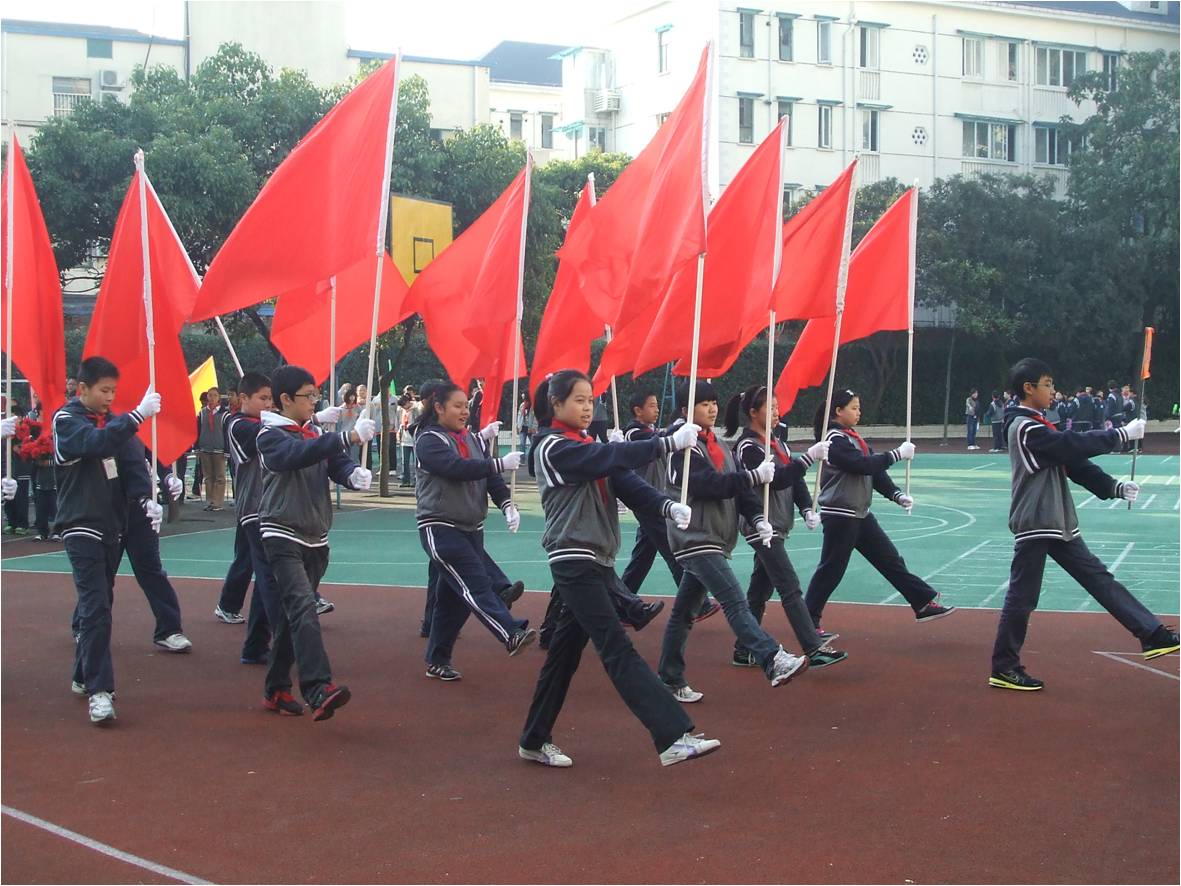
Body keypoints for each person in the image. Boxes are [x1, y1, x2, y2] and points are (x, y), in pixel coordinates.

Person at [520, 369, 722, 769]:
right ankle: (672, 735)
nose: (586, 406)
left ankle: (533, 738)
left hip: (596, 560)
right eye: (578, 400)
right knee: (616, 647)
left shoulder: (585, 443)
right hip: (574, 560)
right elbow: (607, 458)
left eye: (590, 400)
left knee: (563, 656)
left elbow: (624, 480)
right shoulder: (551, 447)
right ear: (555, 404)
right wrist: (665, 443)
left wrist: (665, 505)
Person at [988, 358, 1177, 691]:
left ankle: (1152, 634)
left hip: (1056, 520)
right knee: (1023, 596)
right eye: (1047, 384)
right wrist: (1118, 435)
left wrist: (1112, 487)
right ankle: (1004, 667)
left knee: (1099, 578)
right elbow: (1070, 446)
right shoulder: (1024, 427)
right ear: (1028, 388)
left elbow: (1073, 462)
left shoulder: (1039, 424)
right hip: (1037, 520)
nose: (1053, 391)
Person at [657, 379, 807, 703]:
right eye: (702, 404)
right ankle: (771, 658)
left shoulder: (720, 445)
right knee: (735, 600)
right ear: (685, 411)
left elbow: (740, 490)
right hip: (695, 538)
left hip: (715, 537)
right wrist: (754, 477)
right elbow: (708, 484)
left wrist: (757, 518)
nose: (711, 408)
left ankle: (669, 677)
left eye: (713, 402)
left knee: (684, 611)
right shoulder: (683, 447)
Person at [254, 364, 375, 720]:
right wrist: (346, 437)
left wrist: (353, 474)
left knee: (295, 617)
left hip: (315, 536)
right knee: (305, 608)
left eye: (315, 395)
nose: (313, 402)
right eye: (308, 396)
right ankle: (318, 687)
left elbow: (331, 460)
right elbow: (296, 456)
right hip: (281, 533)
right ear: (285, 399)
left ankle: (276, 687)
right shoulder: (269, 436)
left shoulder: (312, 431)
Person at [53, 356, 161, 724]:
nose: (108, 397)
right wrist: (136, 417)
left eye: (113, 391)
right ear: (81, 388)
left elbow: (131, 461)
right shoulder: (66, 421)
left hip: (114, 525)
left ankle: (84, 675)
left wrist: (150, 494)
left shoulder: (114, 423)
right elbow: (94, 444)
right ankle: (101, 690)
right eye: (103, 391)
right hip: (81, 524)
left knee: (101, 603)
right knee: (95, 604)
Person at [803, 389, 956, 637]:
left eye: (858, 407)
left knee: (890, 560)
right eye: (853, 407)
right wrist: (896, 454)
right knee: (831, 570)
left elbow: (875, 472)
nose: (858, 412)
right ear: (838, 411)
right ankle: (807, 622)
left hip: (859, 513)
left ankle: (922, 601)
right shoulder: (833, 440)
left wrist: (897, 494)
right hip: (841, 514)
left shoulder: (853, 438)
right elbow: (862, 465)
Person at [413, 382, 536, 680]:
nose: (464, 412)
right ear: (438, 407)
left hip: (471, 527)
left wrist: (507, 503)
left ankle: (437, 658)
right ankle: (509, 632)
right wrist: (497, 462)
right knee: (476, 585)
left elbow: (489, 477)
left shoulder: (471, 438)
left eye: (466, 406)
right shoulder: (429, 440)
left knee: (452, 602)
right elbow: (455, 468)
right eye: (457, 406)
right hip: (440, 527)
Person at [722, 385, 847, 670]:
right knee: (789, 586)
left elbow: (794, 480)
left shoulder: (777, 442)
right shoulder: (749, 447)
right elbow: (777, 479)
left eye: (778, 407)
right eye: (771, 408)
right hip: (761, 524)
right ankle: (813, 648)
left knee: (759, 590)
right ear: (753, 413)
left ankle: (744, 648)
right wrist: (809, 458)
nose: (777, 412)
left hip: (778, 522)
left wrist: (805, 508)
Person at [223, 372, 278, 665]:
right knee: (270, 576)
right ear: (243, 399)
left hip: (272, 508)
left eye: (271, 398)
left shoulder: (268, 422)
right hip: (254, 508)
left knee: (264, 576)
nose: (268, 404)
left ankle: (256, 645)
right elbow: (264, 438)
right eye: (263, 398)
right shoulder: (236, 424)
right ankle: (284, 637)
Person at [196, 386, 227, 510]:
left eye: (215, 395)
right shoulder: (202, 413)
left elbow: (226, 432)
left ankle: (217, 502)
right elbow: (197, 430)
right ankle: (209, 501)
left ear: (219, 397)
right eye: (210, 395)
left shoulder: (224, 414)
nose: (212, 398)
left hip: (219, 448)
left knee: (220, 476)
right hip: (205, 448)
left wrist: (227, 450)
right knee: (208, 476)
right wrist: (197, 446)